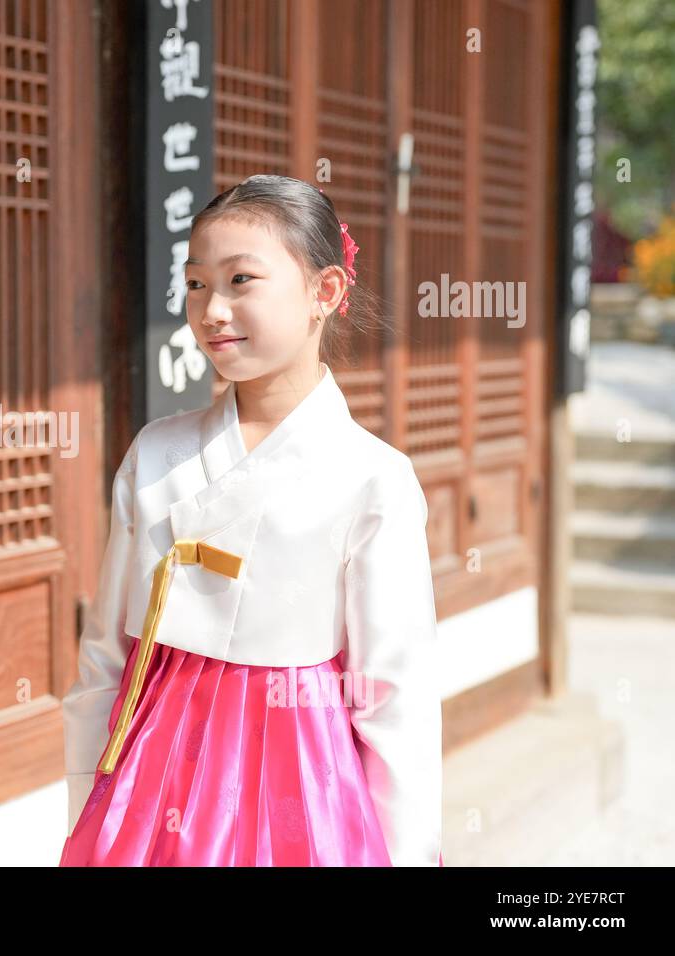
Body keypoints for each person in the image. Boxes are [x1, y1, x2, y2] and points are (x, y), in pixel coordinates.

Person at [59, 175, 443, 866]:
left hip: (302, 773)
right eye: (197, 284)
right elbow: (105, 655)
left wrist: (410, 851)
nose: (211, 310)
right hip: (156, 768)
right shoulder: (159, 451)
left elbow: (394, 693)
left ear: (324, 292)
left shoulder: (372, 475)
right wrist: (88, 802)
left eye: (241, 281)